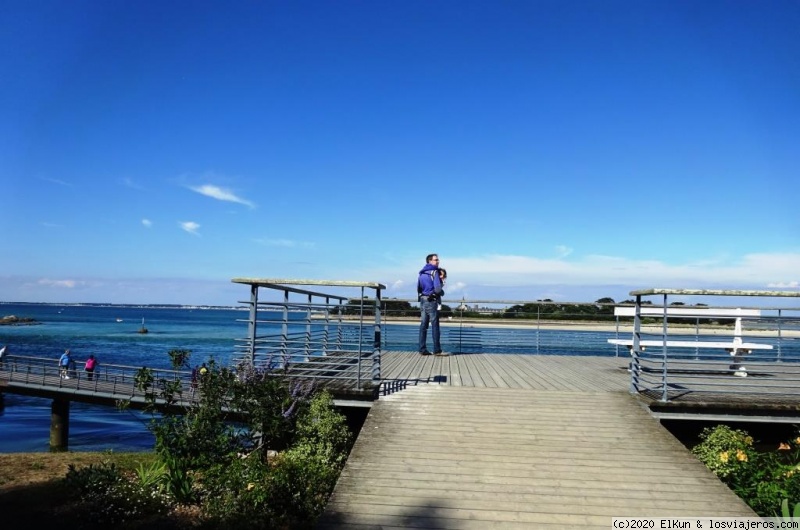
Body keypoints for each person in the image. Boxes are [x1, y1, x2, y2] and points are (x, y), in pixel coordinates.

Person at [417, 253, 443, 355]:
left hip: (423, 300)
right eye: (436, 260)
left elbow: (419, 288)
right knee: (435, 325)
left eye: (438, 260)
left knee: (423, 325)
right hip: (432, 301)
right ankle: (437, 349)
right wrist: (439, 291)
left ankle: (422, 349)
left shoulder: (421, 273)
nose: (438, 261)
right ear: (430, 261)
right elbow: (437, 289)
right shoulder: (434, 272)